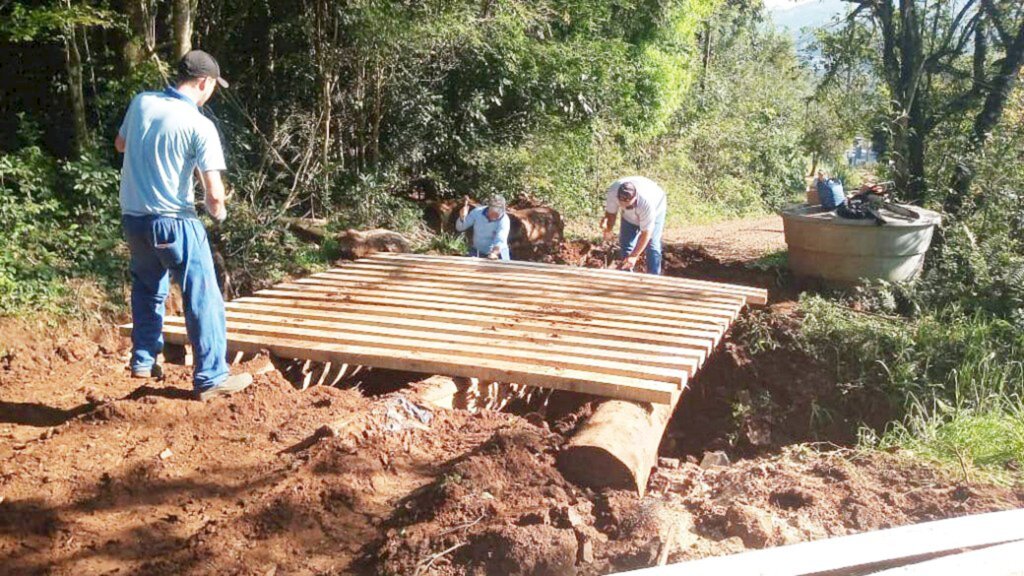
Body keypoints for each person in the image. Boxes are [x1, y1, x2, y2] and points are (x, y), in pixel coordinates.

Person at [115, 50, 251, 401]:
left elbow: (121, 145)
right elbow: (215, 194)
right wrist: (218, 212)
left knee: (147, 287)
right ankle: (211, 378)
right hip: (174, 222)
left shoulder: (141, 102)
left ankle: (144, 360)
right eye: (213, 87)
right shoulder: (200, 125)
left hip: (134, 220)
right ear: (204, 82)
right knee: (203, 296)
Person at [600, 176, 667, 275]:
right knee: (626, 243)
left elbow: (646, 233)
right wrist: (608, 229)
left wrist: (634, 256)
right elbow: (611, 214)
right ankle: (627, 275)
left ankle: (653, 277)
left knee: (652, 245)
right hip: (629, 217)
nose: (624, 207)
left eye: (628, 205)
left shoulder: (646, 204)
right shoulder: (613, 192)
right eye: (621, 204)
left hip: (657, 208)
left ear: (635, 198)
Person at [456, 194, 511, 260]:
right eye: (493, 212)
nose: (496, 215)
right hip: (477, 250)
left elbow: (500, 239)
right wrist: (462, 218)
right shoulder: (477, 212)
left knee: (504, 269)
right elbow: (460, 228)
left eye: (498, 213)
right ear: (489, 208)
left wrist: (494, 253)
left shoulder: (504, 220)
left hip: (499, 252)